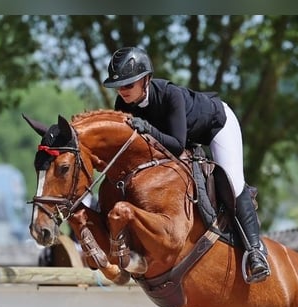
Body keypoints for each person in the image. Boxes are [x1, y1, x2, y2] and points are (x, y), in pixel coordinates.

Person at [102, 46, 270, 284]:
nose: (122, 91)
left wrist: (148, 129)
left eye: (129, 85)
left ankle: (255, 251)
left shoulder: (171, 95)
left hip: (216, 125)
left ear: (146, 79)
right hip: (182, 135)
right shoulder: (123, 105)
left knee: (231, 182)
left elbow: (176, 145)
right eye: (118, 86)